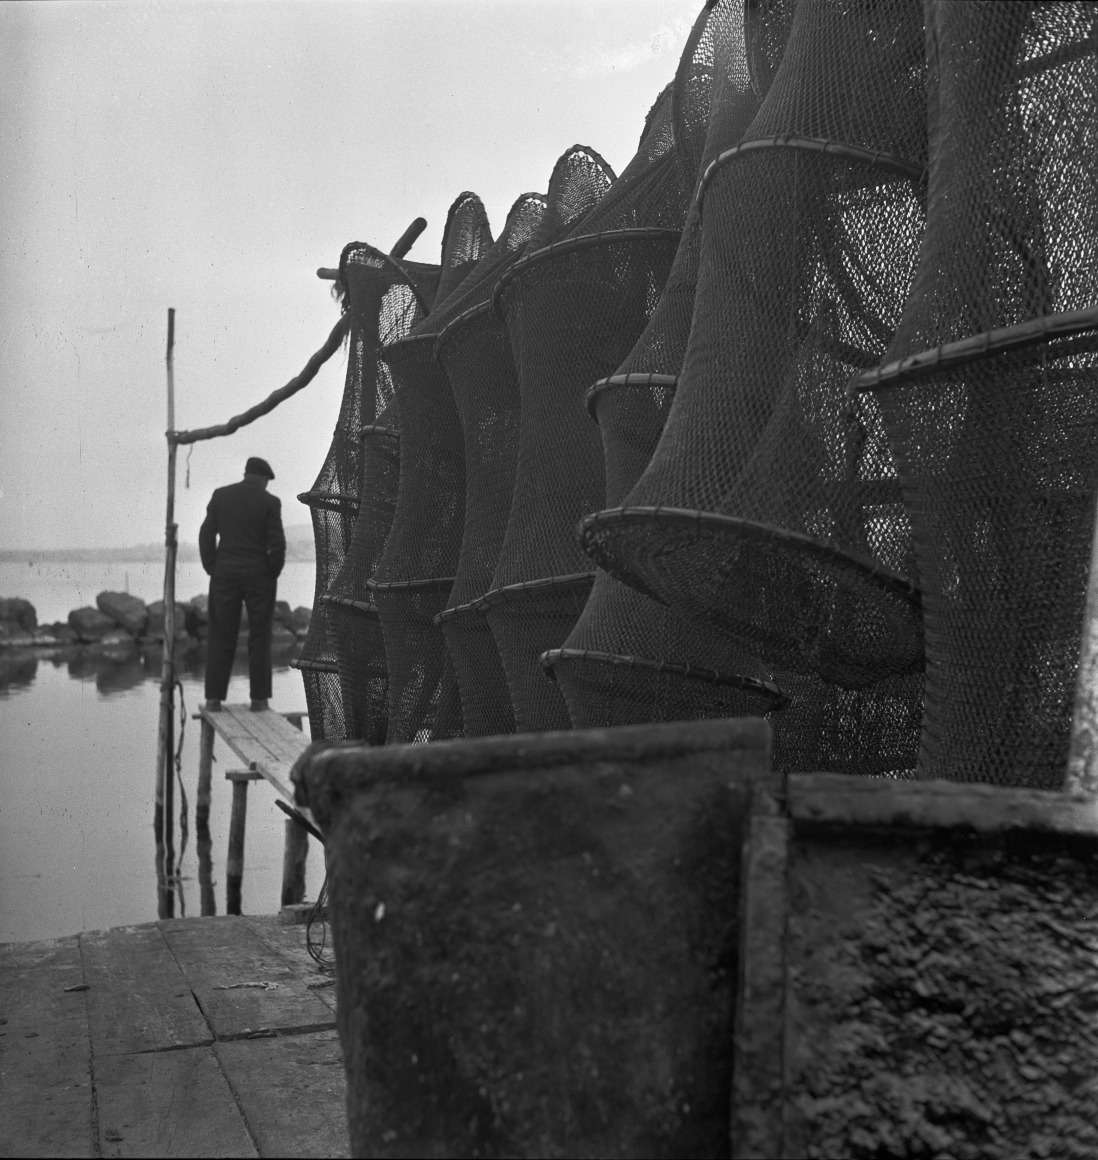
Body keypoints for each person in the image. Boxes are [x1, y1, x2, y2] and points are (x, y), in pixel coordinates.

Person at [199, 456, 286, 711]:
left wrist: (212, 567)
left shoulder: (221, 496)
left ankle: (214, 699)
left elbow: (206, 533)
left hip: (224, 574)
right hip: (259, 575)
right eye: (267, 481)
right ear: (262, 478)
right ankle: (259, 700)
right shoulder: (270, 502)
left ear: (247, 473)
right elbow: (277, 543)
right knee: (259, 637)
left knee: (220, 635)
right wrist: (272, 571)